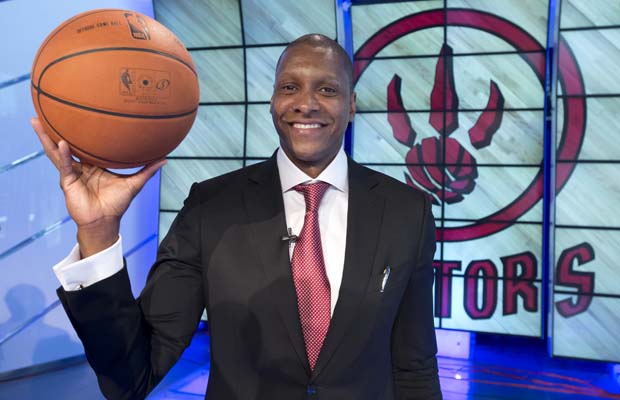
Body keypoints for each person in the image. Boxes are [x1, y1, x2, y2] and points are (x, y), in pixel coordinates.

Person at [32, 34, 442, 400]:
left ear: (351, 105)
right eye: (289, 87)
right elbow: (132, 377)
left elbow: (414, 366)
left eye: (328, 89)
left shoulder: (408, 212)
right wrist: (98, 231)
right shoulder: (211, 207)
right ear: (272, 102)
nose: (306, 103)